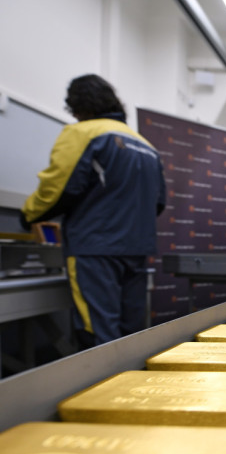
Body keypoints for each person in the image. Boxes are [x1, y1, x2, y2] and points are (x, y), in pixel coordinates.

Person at [20, 74, 166, 348]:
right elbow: (158, 203)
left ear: (78, 106)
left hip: (95, 249)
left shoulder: (83, 134)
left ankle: (103, 390)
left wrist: (28, 215)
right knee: (131, 331)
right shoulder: (146, 146)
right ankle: (133, 386)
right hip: (136, 250)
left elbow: (58, 188)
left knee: (98, 333)